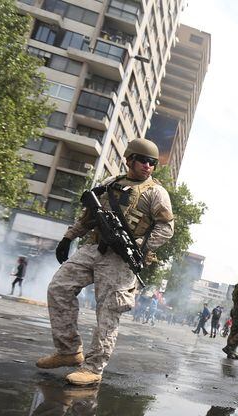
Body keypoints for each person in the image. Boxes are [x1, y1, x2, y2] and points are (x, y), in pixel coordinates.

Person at [35, 138, 174, 386]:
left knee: (109, 311)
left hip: (121, 259)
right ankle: (68, 351)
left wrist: (141, 246)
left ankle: (93, 367)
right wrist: (68, 237)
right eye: (142, 160)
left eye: (152, 162)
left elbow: (166, 229)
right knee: (59, 288)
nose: (148, 166)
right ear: (129, 159)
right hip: (94, 247)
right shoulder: (110, 184)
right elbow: (89, 216)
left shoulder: (156, 192)